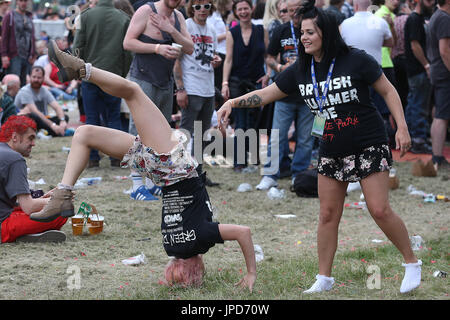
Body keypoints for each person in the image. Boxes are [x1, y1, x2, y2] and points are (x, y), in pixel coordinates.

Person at [217, 0, 421, 294]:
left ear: (325, 33)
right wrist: (232, 102)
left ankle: (412, 263)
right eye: (301, 33)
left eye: (310, 32)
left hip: (367, 142)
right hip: (331, 146)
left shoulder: (356, 59)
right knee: (327, 214)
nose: (304, 38)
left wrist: (402, 127)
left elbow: (388, 90)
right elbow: (266, 94)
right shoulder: (301, 69)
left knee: (379, 209)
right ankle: (324, 278)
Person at [31, 40, 257, 291]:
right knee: (84, 134)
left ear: (197, 267)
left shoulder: (202, 239)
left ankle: (80, 69)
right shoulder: (172, 246)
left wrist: (250, 273)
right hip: (158, 171)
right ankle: (63, 193)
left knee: (133, 91)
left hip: (174, 167)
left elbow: (244, 232)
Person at [123, 0, 194, 201]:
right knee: (138, 131)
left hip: (165, 81)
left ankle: (151, 183)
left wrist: (170, 30)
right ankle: (136, 185)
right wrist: (157, 48)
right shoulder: (146, 11)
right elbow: (127, 42)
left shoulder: (178, 17)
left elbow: (189, 48)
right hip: (142, 79)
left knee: (160, 133)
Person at [257, 0, 314, 190]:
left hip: (309, 94)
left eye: (297, 11)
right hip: (284, 93)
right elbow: (269, 57)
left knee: (305, 139)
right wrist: (280, 67)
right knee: (277, 136)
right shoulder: (282, 30)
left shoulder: (314, 28)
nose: (293, 15)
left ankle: (299, 175)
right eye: (289, 11)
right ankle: (270, 174)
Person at [73, 0, 133, 168]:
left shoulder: (84, 16)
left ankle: (92, 159)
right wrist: (122, 74)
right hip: (113, 75)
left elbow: (77, 46)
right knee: (114, 117)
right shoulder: (122, 18)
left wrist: (78, 70)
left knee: (91, 118)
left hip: (90, 74)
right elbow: (128, 53)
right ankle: (117, 157)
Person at [173, 0, 222, 183]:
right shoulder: (186, 26)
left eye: (206, 6)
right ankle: (180, 172)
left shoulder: (212, 29)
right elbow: (176, 60)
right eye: (198, 6)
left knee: (202, 134)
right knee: (185, 133)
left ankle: (198, 173)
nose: (202, 10)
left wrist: (216, 61)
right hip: (191, 87)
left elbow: (212, 56)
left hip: (208, 88)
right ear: (191, 8)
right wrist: (181, 89)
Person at [0, 115, 67, 243]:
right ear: (14, 137)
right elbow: (29, 207)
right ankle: (24, 234)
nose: (33, 144)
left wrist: (44, 200)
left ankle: (28, 233)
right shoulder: (14, 159)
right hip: (3, 226)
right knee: (61, 212)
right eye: (30, 138)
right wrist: (58, 201)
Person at [221, 0, 269, 172]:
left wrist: (268, 74)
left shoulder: (261, 30)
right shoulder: (231, 33)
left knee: (255, 122)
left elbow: (267, 56)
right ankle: (240, 162)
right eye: (239, 9)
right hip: (237, 82)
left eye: (245, 8)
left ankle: (255, 160)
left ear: (252, 9)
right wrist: (225, 83)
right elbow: (228, 59)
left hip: (257, 81)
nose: (243, 12)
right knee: (241, 122)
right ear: (235, 12)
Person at [340, 0, 395, 147]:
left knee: (354, 110)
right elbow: (391, 43)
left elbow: (339, 47)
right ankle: (378, 141)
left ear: (355, 6)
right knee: (376, 110)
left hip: (351, 75)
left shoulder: (345, 24)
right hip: (375, 74)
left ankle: (356, 140)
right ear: (370, 5)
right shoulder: (381, 22)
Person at [404, 0, 435, 154]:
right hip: (418, 69)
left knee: (414, 103)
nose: (432, 2)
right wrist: (427, 65)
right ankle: (418, 140)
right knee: (419, 105)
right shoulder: (415, 19)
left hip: (416, 70)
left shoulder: (418, 18)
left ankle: (411, 139)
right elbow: (415, 45)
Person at [427, 0, 450, 170]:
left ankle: (437, 155)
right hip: (444, 72)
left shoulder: (436, 16)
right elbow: (445, 50)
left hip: (437, 71)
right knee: (442, 115)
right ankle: (437, 157)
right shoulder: (443, 18)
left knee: (439, 113)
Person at [14, 66, 68, 137]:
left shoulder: (44, 90)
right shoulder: (25, 91)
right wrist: (52, 125)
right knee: (33, 116)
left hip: (44, 120)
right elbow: (35, 111)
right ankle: (55, 131)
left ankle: (50, 131)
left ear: (43, 78)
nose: (36, 80)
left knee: (65, 117)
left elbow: (57, 107)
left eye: (39, 78)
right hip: (28, 120)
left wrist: (62, 120)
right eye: (34, 77)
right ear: (30, 77)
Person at [1, 0, 36, 87]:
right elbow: (4, 37)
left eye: (25, 1)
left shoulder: (29, 17)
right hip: (14, 56)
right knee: (13, 84)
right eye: (21, 1)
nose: (23, 3)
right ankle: (10, 101)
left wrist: (33, 53)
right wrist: (4, 55)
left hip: (27, 56)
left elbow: (32, 37)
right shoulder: (10, 16)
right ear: (17, 2)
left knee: (24, 84)